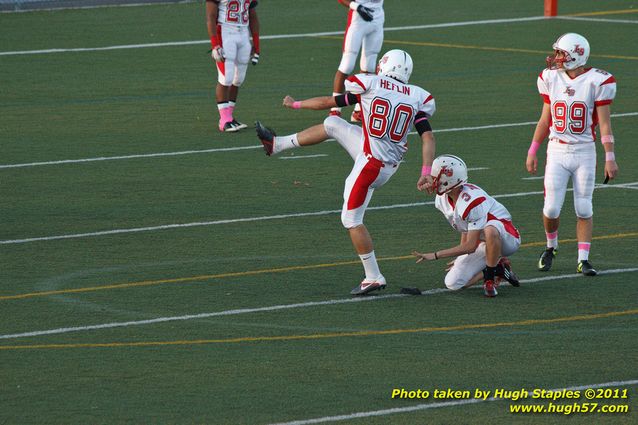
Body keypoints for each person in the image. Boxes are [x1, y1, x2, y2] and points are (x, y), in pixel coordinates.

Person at [255, 49, 436, 295]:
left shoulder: (371, 83)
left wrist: (295, 104)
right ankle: (276, 145)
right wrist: (425, 170)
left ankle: (373, 276)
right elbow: (427, 137)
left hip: (371, 164)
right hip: (382, 159)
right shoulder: (418, 96)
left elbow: (329, 101)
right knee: (333, 124)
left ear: (384, 65)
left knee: (351, 220)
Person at [526, 33, 618, 276]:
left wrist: (610, 157)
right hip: (557, 149)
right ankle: (551, 247)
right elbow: (545, 119)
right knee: (551, 209)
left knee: (584, 208)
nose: (556, 58)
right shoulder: (550, 78)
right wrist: (532, 150)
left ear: (576, 55)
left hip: (584, 151)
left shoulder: (597, 81)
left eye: (561, 53)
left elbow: (606, 125)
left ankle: (583, 259)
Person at [412, 155, 521, 297]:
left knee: (490, 230)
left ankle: (489, 279)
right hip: (482, 242)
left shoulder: (472, 201)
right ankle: (498, 269)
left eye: (435, 176)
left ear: (448, 180)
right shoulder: (442, 200)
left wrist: (435, 255)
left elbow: (470, 246)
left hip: (507, 238)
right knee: (453, 283)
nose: (432, 180)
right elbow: (465, 228)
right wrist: (461, 257)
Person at [206, 0, 260, 132]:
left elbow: (252, 16)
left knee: (238, 79)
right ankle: (224, 120)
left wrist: (256, 44)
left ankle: (229, 117)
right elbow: (210, 17)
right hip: (225, 33)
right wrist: (215, 45)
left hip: (243, 34)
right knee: (226, 78)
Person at [329, 0, 384, 122]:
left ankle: (359, 110)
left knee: (369, 65)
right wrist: (357, 6)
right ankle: (335, 109)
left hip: (377, 17)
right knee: (347, 64)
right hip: (358, 18)